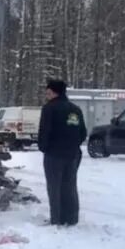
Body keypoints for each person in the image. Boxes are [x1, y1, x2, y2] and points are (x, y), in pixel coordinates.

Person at [37, 78, 86, 226]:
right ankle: (71, 218)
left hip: (54, 154)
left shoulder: (49, 108)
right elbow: (83, 133)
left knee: (54, 187)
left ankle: (56, 219)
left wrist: (44, 147)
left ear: (54, 92)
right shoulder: (75, 109)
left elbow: (44, 131)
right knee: (70, 186)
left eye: (48, 92)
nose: (47, 95)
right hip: (72, 154)